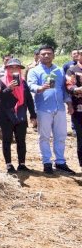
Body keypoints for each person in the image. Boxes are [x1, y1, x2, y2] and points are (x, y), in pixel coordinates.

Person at [28, 45, 76, 175]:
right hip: (43, 108)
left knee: (60, 136)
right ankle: (47, 162)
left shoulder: (59, 71)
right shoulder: (34, 71)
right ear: (39, 56)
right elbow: (30, 85)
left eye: (49, 53)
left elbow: (64, 89)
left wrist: (69, 104)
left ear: (53, 55)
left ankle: (60, 162)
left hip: (59, 108)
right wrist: (40, 88)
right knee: (44, 136)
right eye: (43, 54)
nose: (46, 56)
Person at [0, 58, 36, 173]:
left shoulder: (23, 81)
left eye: (16, 67)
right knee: (7, 140)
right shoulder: (1, 81)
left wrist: (33, 114)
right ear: (7, 69)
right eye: (11, 67)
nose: (14, 69)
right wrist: (9, 88)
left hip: (21, 112)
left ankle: (22, 164)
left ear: (19, 69)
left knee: (21, 140)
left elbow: (28, 99)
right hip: (6, 115)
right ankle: (8, 164)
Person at [66, 49, 82, 169]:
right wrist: (78, 89)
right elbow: (70, 86)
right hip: (79, 108)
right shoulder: (72, 70)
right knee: (81, 137)